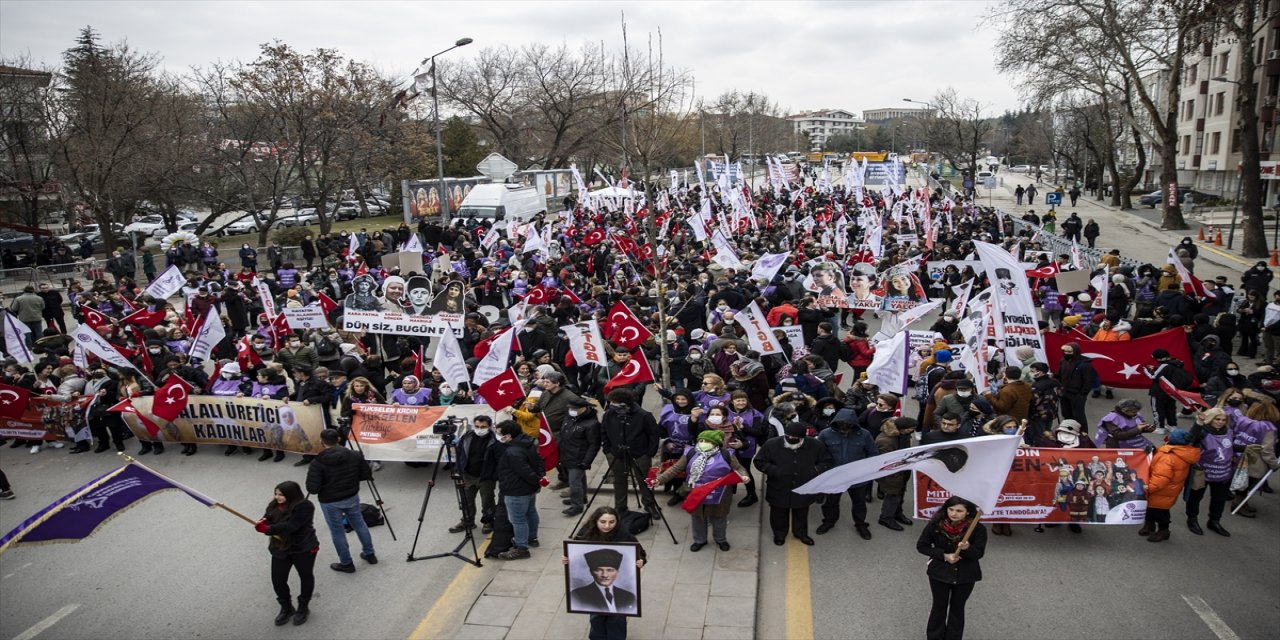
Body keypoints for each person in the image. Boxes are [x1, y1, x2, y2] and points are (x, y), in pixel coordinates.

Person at [652, 430, 750, 552]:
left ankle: (720, 539)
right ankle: (699, 540)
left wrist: (744, 476)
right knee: (698, 517)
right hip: (696, 491)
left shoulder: (726, 454)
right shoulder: (691, 453)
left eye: (707, 441)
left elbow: (739, 468)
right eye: (701, 440)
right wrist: (659, 480)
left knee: (719, 517)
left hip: (719, 493)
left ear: (716, 444)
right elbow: (676, 468)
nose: (703, 443)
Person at [561, 507, 647, 640]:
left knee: (617, 620)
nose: (607, 526)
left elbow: (640, 553)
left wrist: (640, 561)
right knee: (596, 618)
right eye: (603, 522)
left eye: (612, 522)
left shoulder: (623, 534)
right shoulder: (585, 533)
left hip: (619, 604)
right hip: (593, 600)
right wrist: (567, 559)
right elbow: (575, 551)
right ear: (595, 521)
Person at [305, 428, 378, 573]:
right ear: (338, 439)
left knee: (337, 531)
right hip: (351, 495)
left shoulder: (318, 462)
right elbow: (365, 474)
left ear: (322, 442)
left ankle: (346, 563)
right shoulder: (354, 455)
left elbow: (312, 488)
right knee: (359, 523)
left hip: (330, 501)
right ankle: (370, 554)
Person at [917, 496, 987, 640]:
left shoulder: (978, 529)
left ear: (967, 512)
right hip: (939, 573)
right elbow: (922, 546)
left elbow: (978, 554)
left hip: (965, 575)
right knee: (939, 607)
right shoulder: (935, 525)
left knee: (957, 608)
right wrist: (944, 555)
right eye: (951, 509)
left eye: (959, 511)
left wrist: (968, 548)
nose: (954, 513)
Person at [754, 421, 833, 546]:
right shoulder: (771, 444)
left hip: (803, 486)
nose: (791, 439)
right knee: (778, 513)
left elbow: (827, 462)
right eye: (788, 436)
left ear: (803, 437)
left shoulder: (816, 445)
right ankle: (779, 534)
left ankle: (800, 533)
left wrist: (814, 471)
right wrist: (774, 471)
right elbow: (759, 461)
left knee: (801, 512)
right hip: (778, 486)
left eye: (795, 438)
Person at [254, 480, 318, 626]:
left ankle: (303, 607)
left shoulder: (304, 506)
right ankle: (286, 607)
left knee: (306, 576)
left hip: (302, 547)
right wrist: (263, 523)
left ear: (291, 494)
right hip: (280, 547)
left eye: (281, 494)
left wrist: (269, 530)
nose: (277, 497)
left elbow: (293, 525)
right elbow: (269, 518)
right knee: (278, 580)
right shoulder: (273, 505)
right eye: (276, 494)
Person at [816, 408, 879, 540]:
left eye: (848, 426)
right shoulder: (825, 434)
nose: (845, 428)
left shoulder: (864, 435)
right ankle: (829, 521)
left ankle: (861, 524)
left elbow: (872, 453)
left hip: (857, 478)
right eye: (841, 425)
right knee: (831, 502)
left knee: (859, 503)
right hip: (834, 477)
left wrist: (866, 470)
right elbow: (818, 454)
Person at [600, 389, 662, 518]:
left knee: (644, 480)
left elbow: (654, 434)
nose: (611, 404)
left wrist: (649, 453)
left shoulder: (644, 415)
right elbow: (603, 431)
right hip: (616, 454)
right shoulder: (609, 415)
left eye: (614, 402)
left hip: (640, 454)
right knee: (619, 480)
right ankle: (620, 507)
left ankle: (649, 504)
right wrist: (607, 450)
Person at [494, 419, 546, 560]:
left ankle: (521, 548)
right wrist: (539, 479)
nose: (498, 436)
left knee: (517, 519)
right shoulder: (529, 442)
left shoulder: (512, 451)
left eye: (499, 434)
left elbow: (525, 471)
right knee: (530, 512)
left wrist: (535, 479)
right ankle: (532, 538)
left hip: (516, 490)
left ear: (509, 436)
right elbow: (539, 461)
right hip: (529, 489)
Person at [1140, 429, 1199, 543]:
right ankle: (1150, 524)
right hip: (1169, 489)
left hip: (1160, 490)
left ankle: (1163, 530)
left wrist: (1150, 487)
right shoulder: (1181, 451)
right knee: (1152, 508)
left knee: (1160, 512)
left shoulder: (1168, 457)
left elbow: (1161, 476)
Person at [1185, 408, 1236, 537]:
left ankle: (1214, 521)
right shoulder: (1202, 431)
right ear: (1210, 419)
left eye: (1223, 420)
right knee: (1196, 497)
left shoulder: (1229, 431)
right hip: (1202, 471)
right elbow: (1190, 439)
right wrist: (1198, 423)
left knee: (1219, 499)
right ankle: (1192, 519)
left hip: (1222, 472)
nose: (1220, 422)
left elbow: (1229, 447)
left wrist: (1247, 448)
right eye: (1217, 419)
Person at [451, 415, 498, 534]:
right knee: (466, 500)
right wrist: (458, 470)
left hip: (486, 477)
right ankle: (467, 521)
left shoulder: (495, 440)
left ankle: (488, 521)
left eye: (483, 427)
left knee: (487, 500)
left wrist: (495, 474)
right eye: (477, 426)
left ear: (490, 427)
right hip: (468, 475)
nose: (479, 429)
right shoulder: (467, 437)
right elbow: (460, 453)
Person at [558, 396, 601, 517]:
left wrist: (587, 461)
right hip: (567, 454)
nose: (570, 410)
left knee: (574, 482)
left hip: (579, 457)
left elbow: (594, 444)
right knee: (580, 479)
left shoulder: (592, 424)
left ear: (583, 409)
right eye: (570, 408)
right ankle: (581, 498)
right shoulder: (570, 417)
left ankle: (577, 506)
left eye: (574, 408)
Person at [875, 417, 917, 531]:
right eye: (911, 428)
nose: (913, 430)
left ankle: (897, 513)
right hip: (891, 474)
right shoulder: (886, 441)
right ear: (903, 428)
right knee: (893, 496)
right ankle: (886, 517)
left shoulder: (903, 435)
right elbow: (885, 461)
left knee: (899, 494)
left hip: (901, 471)